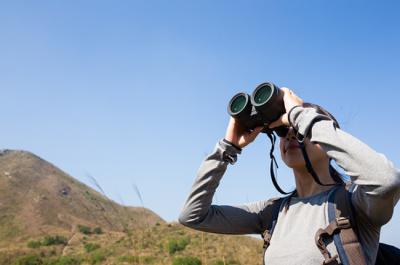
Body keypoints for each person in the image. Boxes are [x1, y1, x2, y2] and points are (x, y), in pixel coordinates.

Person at [178, 87, 400, 265]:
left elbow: (387, 180)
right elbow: (193, 216)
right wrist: (228, 148)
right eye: (283, 130)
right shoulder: (272, 212)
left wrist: (300, 116)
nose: (291, 133)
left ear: (328, 142)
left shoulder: (356, 203)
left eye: (301, 129)